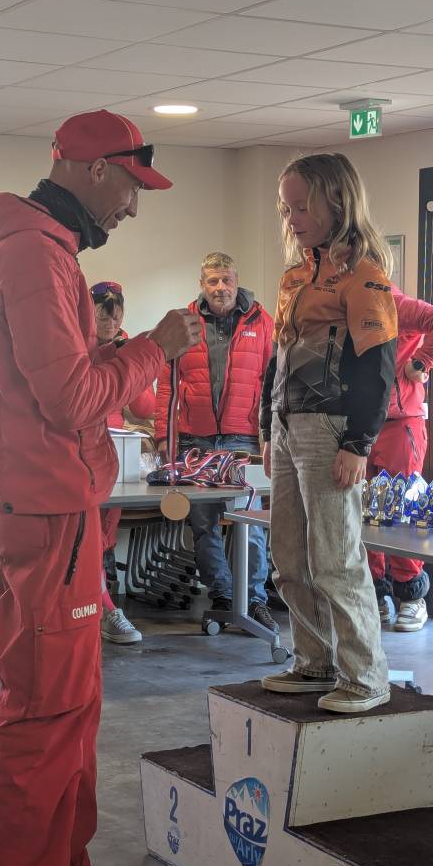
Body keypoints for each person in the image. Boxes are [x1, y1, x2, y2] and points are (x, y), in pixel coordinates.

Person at [0, 109, 199, 866]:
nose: (134, 207)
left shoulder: (36, 250)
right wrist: (150, 349)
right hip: (49, 513)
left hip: (56, 510)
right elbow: (69, 398)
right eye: (133, 186)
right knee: (44, 711)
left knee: (74, 704)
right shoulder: (32, 255)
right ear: (96, 171)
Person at [260, 152, 397, 715]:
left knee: (336, 557)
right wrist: (265, 427)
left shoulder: (364, 273)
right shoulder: (295, 276)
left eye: (302, 206)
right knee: (287, 553)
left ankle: (365, 675)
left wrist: (358, 443)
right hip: (286, 421)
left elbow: (380, 365)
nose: (292, 218)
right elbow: (278, 355)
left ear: (336, 201)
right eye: (286, 208)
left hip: (332, 426)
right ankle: (312, 661)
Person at [154, 252, 275, 626]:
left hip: (245, 442)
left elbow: (274, 384)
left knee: (251, 524)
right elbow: (166, 386)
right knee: (203, 526)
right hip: (196, 442)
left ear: (236, 282)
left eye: (226, 280)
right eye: (212, 282)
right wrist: (163, 436)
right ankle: (223, 596)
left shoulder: (262, 322)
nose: (220, 288)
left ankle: (252, 601)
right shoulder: (183, 324)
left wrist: (271, 435)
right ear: (202, 286)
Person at [368, 290, 433, 632]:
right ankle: (376, 595)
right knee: (368, 511)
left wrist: (422, 362)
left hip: (400, 422)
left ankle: (411, 597)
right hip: (361, 424)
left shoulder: (395, 303)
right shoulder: (342, 303)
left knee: (402, 511)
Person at [91, 279, 156, 646]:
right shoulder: (75, 344)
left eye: (116, 315)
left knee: (104, 537)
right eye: (103, 313)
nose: (110, 320)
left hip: (115, 452)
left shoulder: (124, 344)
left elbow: (144, 408)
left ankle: (104, 607)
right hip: (79, 452)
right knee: (85, 537)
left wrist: (134, 358)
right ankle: (102, 607)